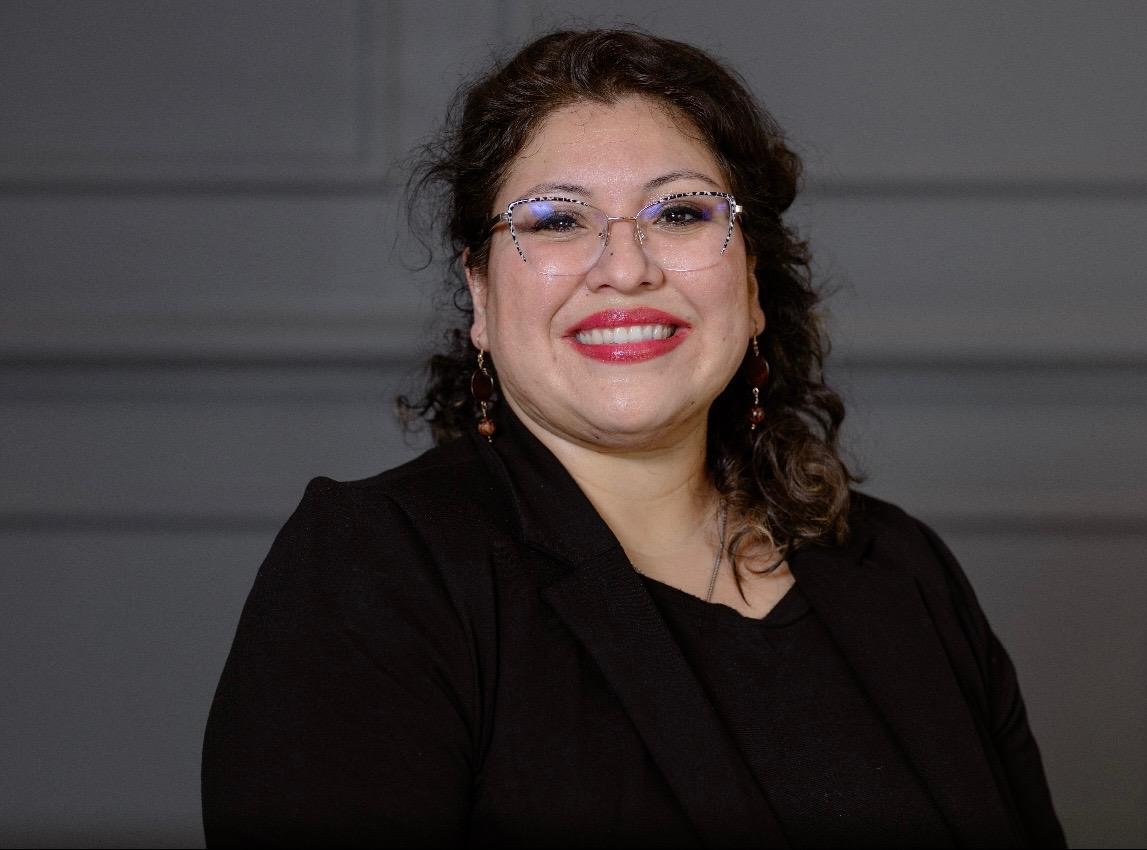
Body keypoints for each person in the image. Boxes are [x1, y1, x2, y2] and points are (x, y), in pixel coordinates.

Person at [201, 28, 1066, 849]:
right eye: (554, 220)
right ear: (481, 295)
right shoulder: (377, 574)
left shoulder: (902, 570)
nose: (625, 266)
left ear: (754, 285)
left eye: (681, 214)